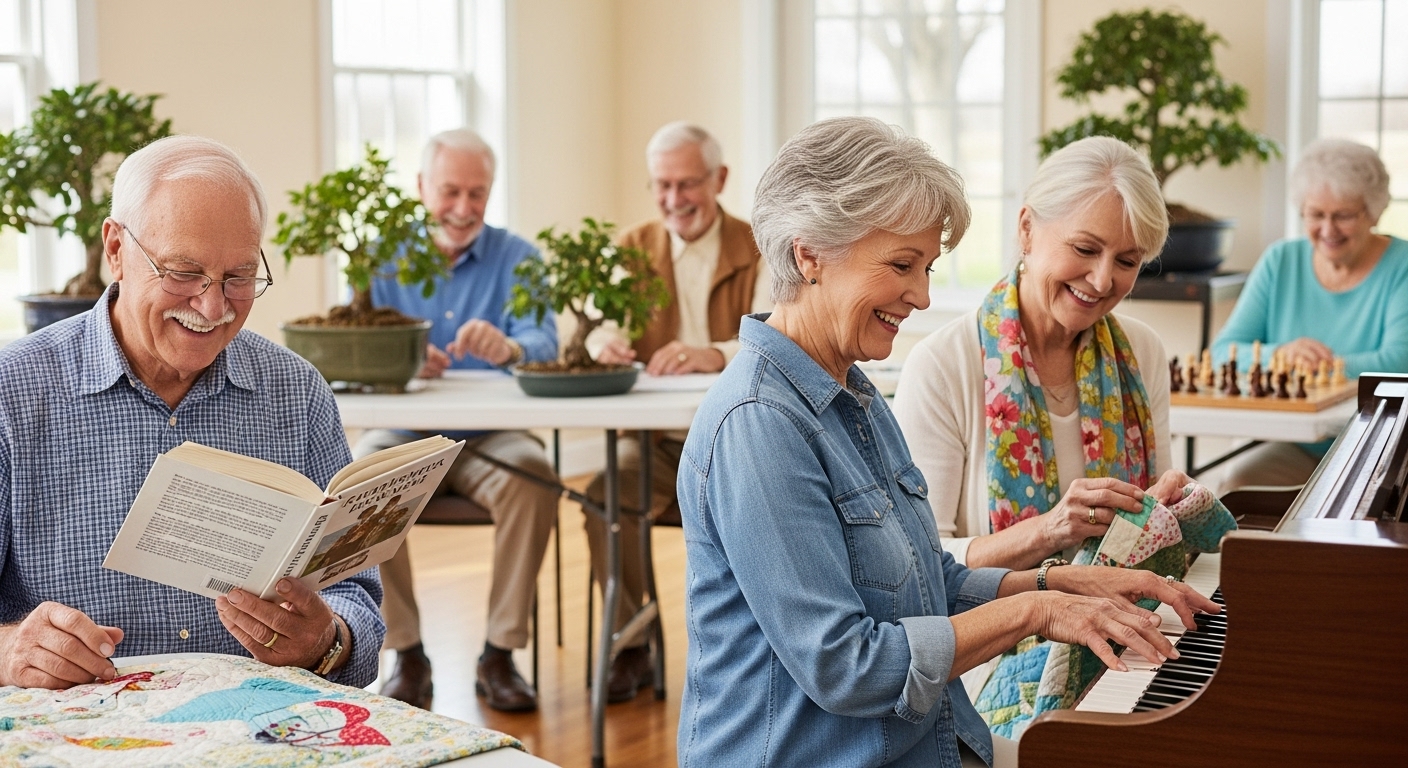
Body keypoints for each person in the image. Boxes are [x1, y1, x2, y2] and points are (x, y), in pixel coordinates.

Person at [676, 117, 1218, 767]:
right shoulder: (758, 423)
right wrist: (1037, 611)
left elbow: (925, 578)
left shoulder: (852, 393)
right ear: (808, 254)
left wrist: (1061, 582)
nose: (925, 296)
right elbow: (844, 667)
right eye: (903, 265)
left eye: (928, 267)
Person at [0, 136, 383, 690]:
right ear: (115, 250)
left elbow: (358, 603)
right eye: (183, 272)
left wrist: (329, 641)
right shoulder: (13, 393)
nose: (212, 306)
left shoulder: (296, 394)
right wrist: (12, 649)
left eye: (239, 277)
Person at [893, 136, 1191, 574]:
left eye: (1127, 261)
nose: (1103, 279)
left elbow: (1161, 533)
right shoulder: (942, 365)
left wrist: (1174, 507)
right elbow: (916, 563)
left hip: (1121, 620)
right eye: (1085, 249)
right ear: (1027, 230)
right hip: (993, 633)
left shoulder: (1142, 352)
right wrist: (1051, 531)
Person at [354, 129, 560, 712]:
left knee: (535, 478)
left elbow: (547, 341)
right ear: (421, 188)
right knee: (362, 472)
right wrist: (401, 358)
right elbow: (356, 347)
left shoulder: (520, 258)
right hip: (406, 437)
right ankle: (406, 652)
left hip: (491, 437)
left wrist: (511, 349)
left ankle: (500, 652)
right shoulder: (380, 257)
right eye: (450, 192)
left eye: (478, 193)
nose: (464, 208)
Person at [583, 122, 769, 703]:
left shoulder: (759, 245)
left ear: (719, 180)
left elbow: (778, 334)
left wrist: (712, 353)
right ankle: (632, 641)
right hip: (661, 443)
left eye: (686, 184)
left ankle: (758, 655)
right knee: (603, 497)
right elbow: (595, 327)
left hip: (741, 443)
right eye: (661, 185)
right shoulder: (632, 249)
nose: (672, 200)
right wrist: (602, 345)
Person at [1208, 138, 1408, 490]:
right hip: (1296, 444)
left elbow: (1398, 362)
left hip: (1382, 447)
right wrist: (1281, 355)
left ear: (1373, 212)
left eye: (1344, 215)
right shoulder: (1280, 261)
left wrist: (1320, 367)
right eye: (1316, 215)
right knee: (1238, 484)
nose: (1328, 230)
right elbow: (1223, 352)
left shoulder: (1402, 266)